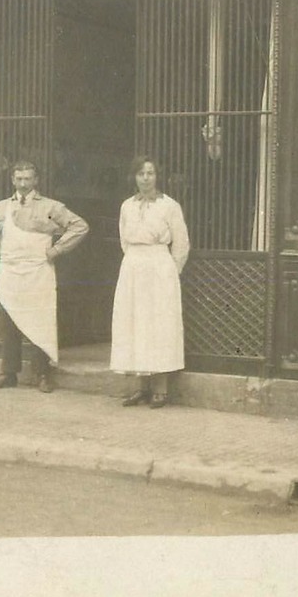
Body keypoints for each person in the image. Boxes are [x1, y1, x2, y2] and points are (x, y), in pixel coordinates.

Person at [0, 159, 89, 392]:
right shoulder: (1, 207)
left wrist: (57, 249)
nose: (23, 184)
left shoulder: (51, 207)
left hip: (39, 271)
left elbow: (80, 226)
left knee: (40, 320)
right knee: (9, 322)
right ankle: (8, 372)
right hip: (10, 272)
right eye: (19, 179)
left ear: (36, 180)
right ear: (13, 180)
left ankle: (42, 374)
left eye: (28, 179)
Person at [110, 156, 190, 408]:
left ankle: (160, 389)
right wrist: (136, 260)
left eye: (151, 173)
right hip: (133, 265)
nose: (146, 178)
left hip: (159, 267)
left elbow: (182, 243)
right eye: (141, 174)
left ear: (158, 176)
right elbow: (124, 240)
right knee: (133, 322)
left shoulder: (169, 206)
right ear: (134, 177)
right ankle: (140, 387)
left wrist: (169, 271)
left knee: (158, 324)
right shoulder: (127, 206)